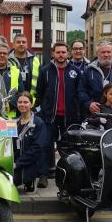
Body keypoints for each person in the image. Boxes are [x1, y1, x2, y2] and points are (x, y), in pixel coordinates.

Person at [34, 41, 79, 187]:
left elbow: (79, 94)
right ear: (53, 53)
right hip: (49, 116)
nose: (61, 55)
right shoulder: (45, 71)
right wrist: (39, 112)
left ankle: (67, 175)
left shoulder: (75, 71)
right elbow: (39, 94)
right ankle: (44, 175)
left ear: (68, 53)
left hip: (69, 117)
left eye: (63, 52)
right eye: (58, 52)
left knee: (67, 148)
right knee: (46, 146)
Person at [12, 92, 49, 193]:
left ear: (31, 104)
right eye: (20, 102)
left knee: (6, 182)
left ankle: (29, 180)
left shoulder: (38, 123)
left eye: (26, 102)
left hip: (28, 165)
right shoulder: (13, 122)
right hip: (14, 164)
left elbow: (36, 149)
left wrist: (17, 164)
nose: (22, 104)